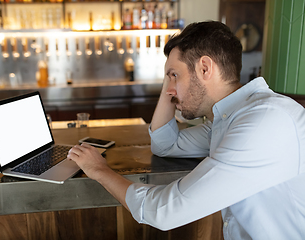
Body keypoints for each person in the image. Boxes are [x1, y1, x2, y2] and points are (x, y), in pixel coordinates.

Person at [67, 21, 305, 239]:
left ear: (204, 68)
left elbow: (164, 212)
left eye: (174, 75)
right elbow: (165, 144)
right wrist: (171, 80)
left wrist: (99, 170)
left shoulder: (263, 123)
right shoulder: (228, 120)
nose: (169, 89)